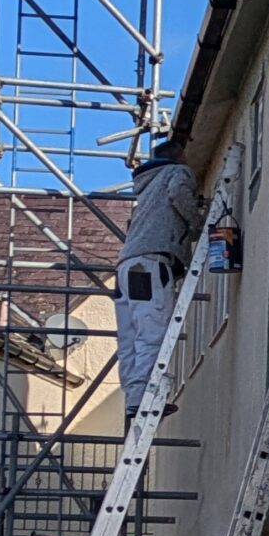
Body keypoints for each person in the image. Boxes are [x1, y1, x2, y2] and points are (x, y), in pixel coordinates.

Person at [114, 143, 203, 406]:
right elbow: (178, 192)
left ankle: (133, 398)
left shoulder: (147, 185)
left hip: (126, 266)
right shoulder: (177, 172)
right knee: (152, 330)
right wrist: (196, 222)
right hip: (152, 262)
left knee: (130, 337)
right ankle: (145, 398)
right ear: (180, 157)